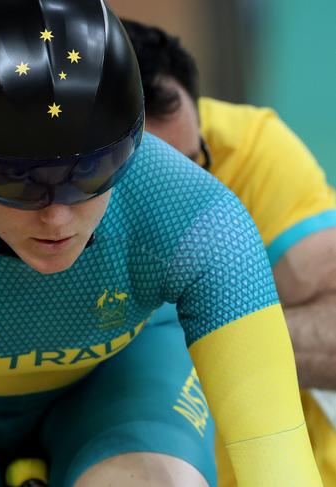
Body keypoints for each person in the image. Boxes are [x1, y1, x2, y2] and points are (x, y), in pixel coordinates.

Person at [0, 1, 322, 486]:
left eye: (92, 173)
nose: (56, 216)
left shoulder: (194, 215)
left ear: (134, 147)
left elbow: (276, 457)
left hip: (119, 383)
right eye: (16, 180)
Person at [122, 19, 336, 486]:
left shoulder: (251, 148)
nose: (180, 198)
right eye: (149, 183)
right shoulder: (42, 202)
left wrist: (206, 334)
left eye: (195, 165)